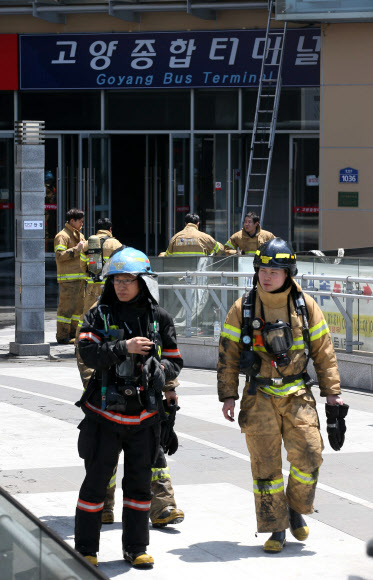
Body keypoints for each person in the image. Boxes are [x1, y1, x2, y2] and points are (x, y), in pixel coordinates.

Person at [217, 238, 345, 553]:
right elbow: (228, 354)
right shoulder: (243, 307)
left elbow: (324, 353)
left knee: (310, 456)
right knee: (265, 466)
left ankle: (295, 508)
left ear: (288, 272)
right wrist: (228, 395)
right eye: (263, 268)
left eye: (275, 270)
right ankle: (276, 528)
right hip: (258, 395)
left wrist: (333, 395)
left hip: (297, 393)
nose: (267, 275)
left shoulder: (305, 305)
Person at [75, 247, 183, 568]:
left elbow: (175, 360)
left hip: (145, 417)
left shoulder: (159, 318)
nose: (122, 285)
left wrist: (159, 371)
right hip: (104, 416)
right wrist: (125, 347)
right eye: (117, 279)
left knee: (138, 487)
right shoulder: (98, 314)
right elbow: (87, 352)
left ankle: (136, 548)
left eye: (129, 279)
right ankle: (85, 551)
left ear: (143, 282)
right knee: (95, 484)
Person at [54, 208, 85, 344]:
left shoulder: (79, 235)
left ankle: (73, 334)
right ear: (72, 221)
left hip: (80, 278)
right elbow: (59, 256)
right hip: (68, 279)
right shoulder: (62, 236)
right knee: (66, 310)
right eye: (80, 222)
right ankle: (62, 336)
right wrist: (76, 249)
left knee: (78, 310)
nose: (82, 224)